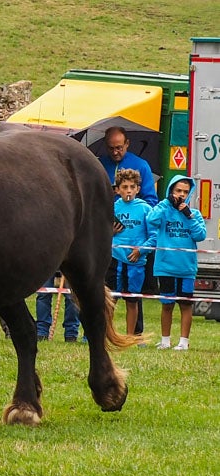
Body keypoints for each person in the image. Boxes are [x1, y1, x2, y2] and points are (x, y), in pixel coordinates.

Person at [145, 175, 207, 350]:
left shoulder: (194, 214)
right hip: (165, 267)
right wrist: (166, 203)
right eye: (178, 191)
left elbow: (200, 235)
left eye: (185, 192)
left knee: (186, 305)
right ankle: (165, 340)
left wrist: (188, 215)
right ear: (171, 191)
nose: (181, 195)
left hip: (186, 268)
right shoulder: (163, 210)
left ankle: (183, 342)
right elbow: (151, 219)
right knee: (167, 305)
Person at [109, 168, 151, 340]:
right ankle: (107, 334)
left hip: (135, 261)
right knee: (111, 299)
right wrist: (109, 232)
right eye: (124, 187)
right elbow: (100, 232)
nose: (128, 191)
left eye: (132, 187)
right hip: (114, 258)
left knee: (132, 300)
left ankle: (130, 336)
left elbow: (154, 236)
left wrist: (141, 250)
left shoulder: (146, 209)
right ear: (117, 189)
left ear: (137, 189)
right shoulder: (111, 207)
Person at [99, 126, 159, 206]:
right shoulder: (99, 165)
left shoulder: (141, 165)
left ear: (127, 143)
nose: (115, 152)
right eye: (111, 148)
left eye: (119, 148)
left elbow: (151, 200)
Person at [35, 273, 80, 342]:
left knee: (71, 297)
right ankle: (42, 332)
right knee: (43, 294)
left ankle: (71, 334)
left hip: (69, 264)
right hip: (47, 264)